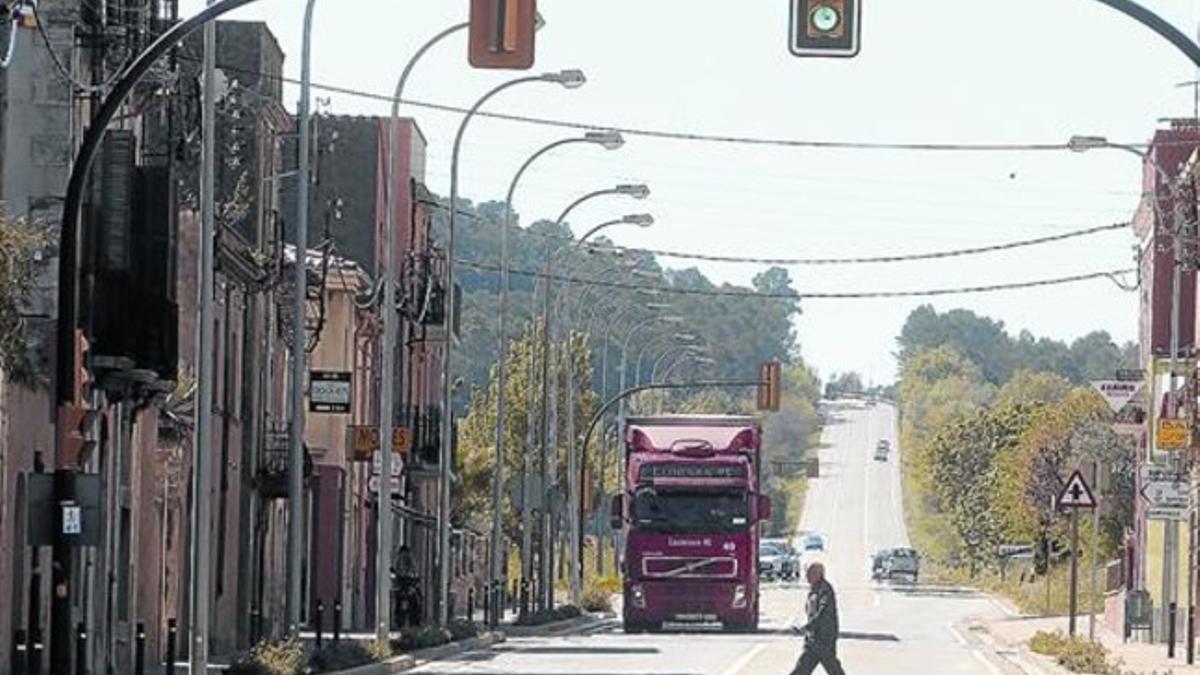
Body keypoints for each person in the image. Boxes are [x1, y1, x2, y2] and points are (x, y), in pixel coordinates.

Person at [790, 562, 846, 675]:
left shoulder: (825, 589)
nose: (807, 576)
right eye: (807, 573)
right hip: (814, 638)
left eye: (810, 573)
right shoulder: (814, 589)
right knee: (803, 668)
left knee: (832, 668)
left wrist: (807, 627)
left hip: (823, 638)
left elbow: (822, 612)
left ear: (819, 574)